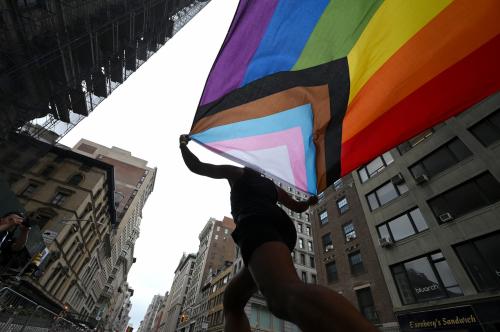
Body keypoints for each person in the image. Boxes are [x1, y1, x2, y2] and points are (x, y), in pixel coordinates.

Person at [179, 134, 377, 332]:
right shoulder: (271, 186)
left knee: (282, 296)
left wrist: (183, 146)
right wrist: (308, 202)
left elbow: (198, 166)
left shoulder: (238, 173)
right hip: (279, 232)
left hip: (257, 227)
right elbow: (298, 207)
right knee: (232, 301)